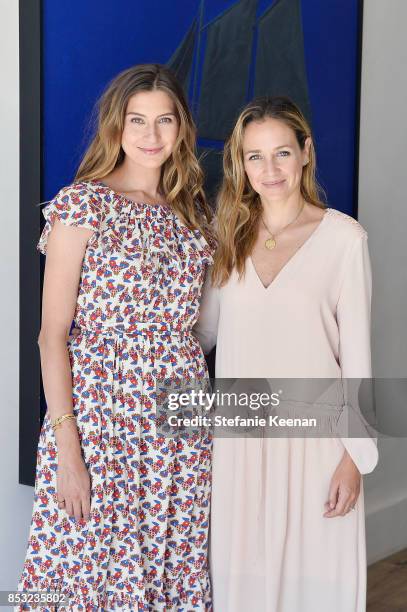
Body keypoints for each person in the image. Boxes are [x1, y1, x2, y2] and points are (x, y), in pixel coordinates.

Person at [17, 64, 215, 611]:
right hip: (102, 420)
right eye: (137, 120)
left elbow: (202, 326)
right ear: (116, 127)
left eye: (165, 120)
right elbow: (51, 336)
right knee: (87, 568)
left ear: (182, 129)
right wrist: (67, 452)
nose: (151, 135)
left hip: (180, 422)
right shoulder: (83, 205)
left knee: (170, 564)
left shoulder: (193, 216)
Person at [193, 96, 379, 612]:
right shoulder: (223, 239)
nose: (269, 169)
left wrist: (353, 461)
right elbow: (200, 338)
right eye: (254, 156)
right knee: (241, 586)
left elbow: (359, 361)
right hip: (239, 446)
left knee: (316, 586)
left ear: (305, 153)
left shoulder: (345, 240)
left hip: (318, 447)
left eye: (281, 153)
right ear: (240, 163)